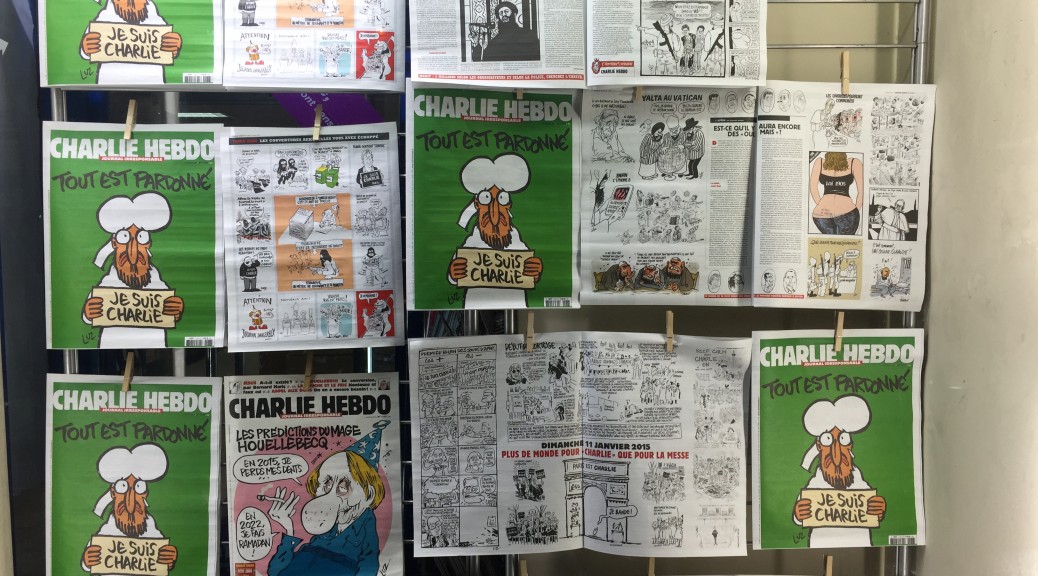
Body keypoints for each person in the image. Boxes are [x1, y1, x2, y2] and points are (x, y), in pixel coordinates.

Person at [266, 421, 390, 576]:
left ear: (368, 495)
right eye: (326, 485)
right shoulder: (323, 529)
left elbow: (369, 565)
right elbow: (275, 572)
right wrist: (288, 527)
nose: (331, 496)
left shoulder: (364, 531)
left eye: (343, 488)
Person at [81, 193, 184, 347]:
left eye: (141, 238)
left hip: (153, 344)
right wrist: (88, 312)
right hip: (113, 346)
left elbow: (169, 309)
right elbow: (89, 314)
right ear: (115, 243)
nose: (132, 249)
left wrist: (176, 308)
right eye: (125, 238)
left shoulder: (156, 281)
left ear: (148, 243)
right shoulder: (108, 282)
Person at [448, 154, 542, 308]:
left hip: (514, 303)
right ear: (477, 204)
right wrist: (453, 273)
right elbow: (454, 275)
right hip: (476, 304)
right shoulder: (472, 242)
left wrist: (535, 269)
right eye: (486, 199)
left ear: (508, 204)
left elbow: (529, 268)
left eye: (501, 199)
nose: (494, 210)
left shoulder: (516, 240)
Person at [793, 396, 885, 547]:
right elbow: (799, 514)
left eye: (842, 440)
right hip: (819, 546)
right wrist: (798, 513)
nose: (836, 452)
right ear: (819, 446)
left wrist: (878, 508)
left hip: (859, 546)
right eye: (828, 440)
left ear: (850, 445)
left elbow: (872, 509)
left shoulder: (858, 481)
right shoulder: (815, 484)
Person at [81, 444, 177, 572]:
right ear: (113, 493)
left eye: (138, 488)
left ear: (145, 493)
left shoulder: (150, 526)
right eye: (123, 487)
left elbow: (161, 558)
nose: (130, 501)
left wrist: (169, 559)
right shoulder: (107, 530)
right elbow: (89, 561)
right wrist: (87, 560)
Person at [79, 0, 182, 84]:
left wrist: (174, 46)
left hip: (153, 88)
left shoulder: (155, 17)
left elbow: (169, 48)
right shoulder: (104, 17)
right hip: (111, 87)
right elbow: (86, 52)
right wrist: (86, 47)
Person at [810, 152, 864, 235]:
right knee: (845, 242)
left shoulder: (819, 162)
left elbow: (813, 189)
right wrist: (855, 211)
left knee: (830, 241)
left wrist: (823, 206)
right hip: (847, 211)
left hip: (822, 214)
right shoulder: (854, 162)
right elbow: (861, 192)